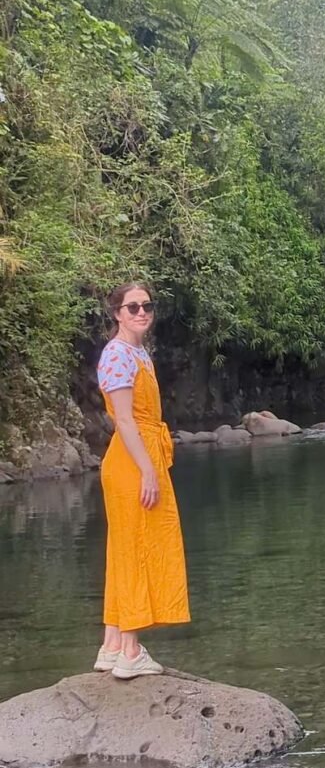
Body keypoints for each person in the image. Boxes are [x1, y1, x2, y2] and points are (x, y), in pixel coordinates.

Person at [94, 282, 190, 679]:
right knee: (138, 549)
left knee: (125, 549)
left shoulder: (137, 352)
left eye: (147, 306)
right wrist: (148, 469)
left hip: (140, 454)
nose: (141, 313)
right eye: (132, 307)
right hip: (132, 460)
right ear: (117, 313)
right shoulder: (117, 354)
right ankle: (131, 653)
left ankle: (112, 644)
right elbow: (125, 419)